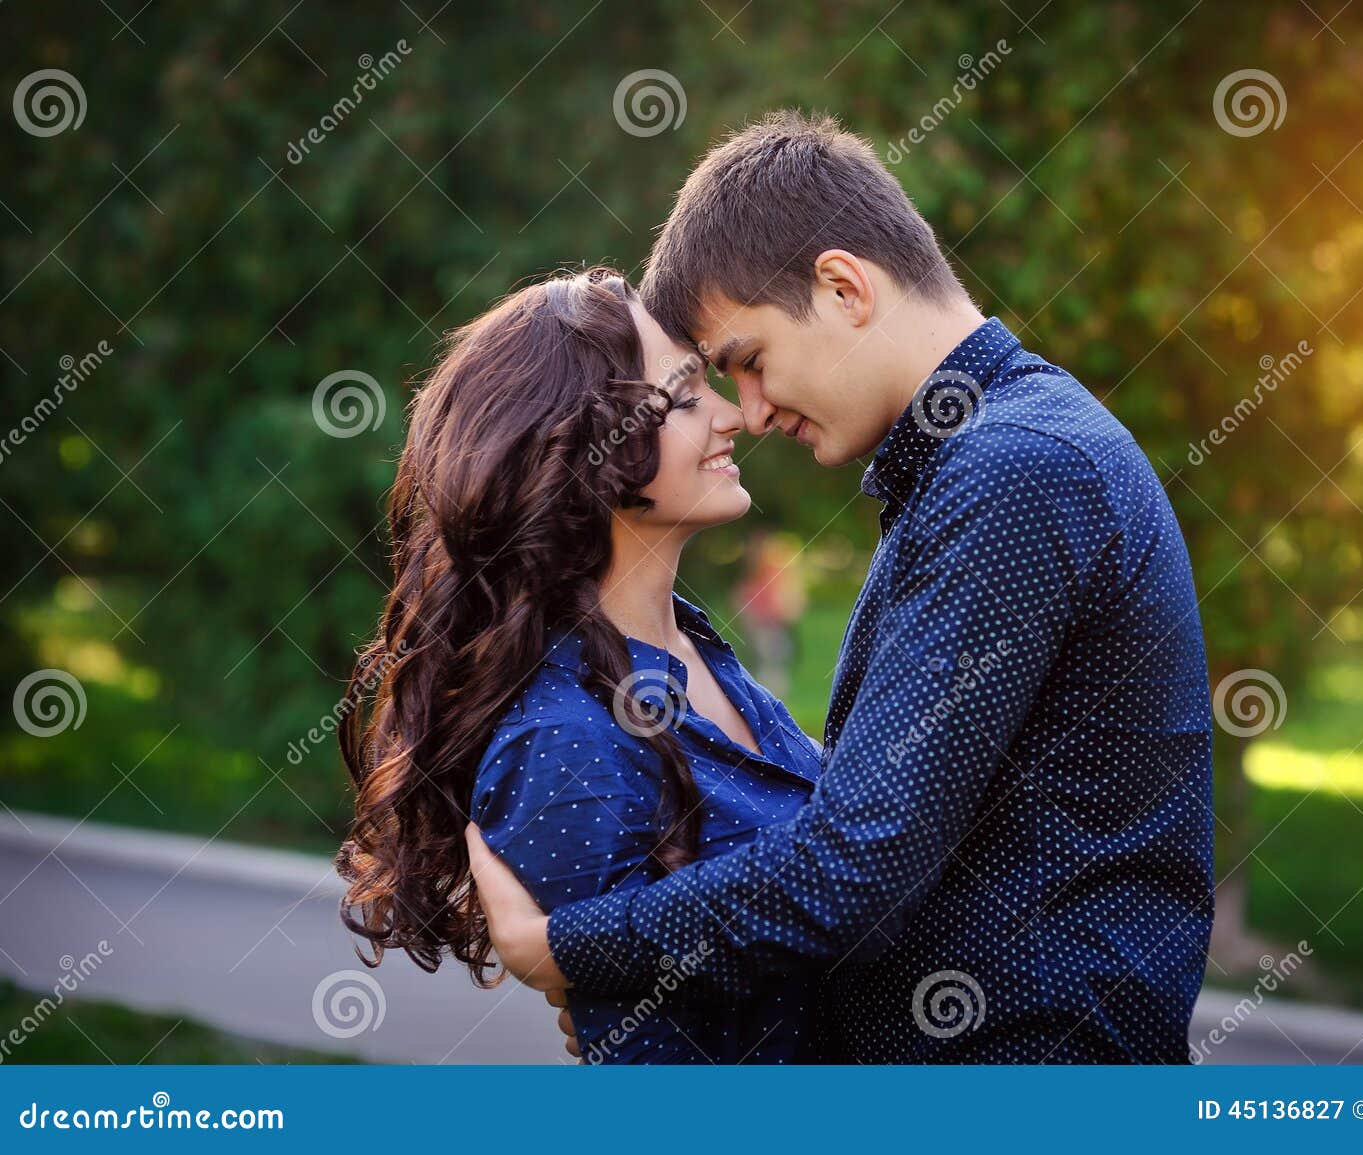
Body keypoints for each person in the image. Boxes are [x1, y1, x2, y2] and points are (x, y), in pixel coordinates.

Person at [467, 111, 1216, 1063]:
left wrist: (570, 950)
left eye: (747, 362)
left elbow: (853, 862)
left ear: (843, 286)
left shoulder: (1015, 472)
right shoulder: (985, 461)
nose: (753, 411)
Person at [335, 267, 824, 1062]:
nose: (738, 416)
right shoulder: (561, 737)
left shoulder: (691, 646)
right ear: (585, 446)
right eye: (689, 394)